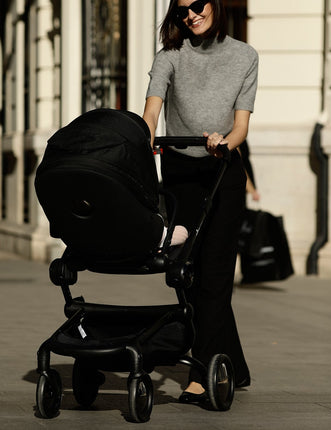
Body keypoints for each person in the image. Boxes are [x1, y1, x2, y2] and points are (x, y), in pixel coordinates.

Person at [142, 0, 258, 405]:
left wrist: (225, 141)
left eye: (196, 6)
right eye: (181, 11)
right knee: (186, 272)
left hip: (223, 173)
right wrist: (140, 140)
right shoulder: (170, 56)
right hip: (180, 177)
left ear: (214, 4)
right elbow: (151, 110)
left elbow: (241, 125)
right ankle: (234, 366)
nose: (190, 15)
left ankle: (200, 372)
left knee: (216, 274)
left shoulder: (245, 56)